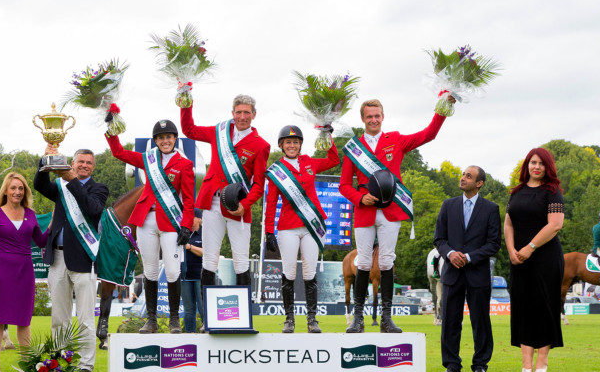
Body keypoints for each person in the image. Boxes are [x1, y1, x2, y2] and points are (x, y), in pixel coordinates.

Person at [340, 98, 447, 333]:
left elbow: (428, 134)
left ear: (383, 116)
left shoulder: (395, 140)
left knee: (387, 261)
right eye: (369, 116)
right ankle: (358, 318)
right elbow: (344, 185)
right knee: (364, 262)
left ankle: (386, 319)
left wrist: (443, 108)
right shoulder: (353, 148)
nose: (374, 120)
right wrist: (359, 198)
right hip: (365, 210)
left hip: (391, 210)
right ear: (363, 119)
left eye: (377, 115)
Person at [105, 120, 196, 333]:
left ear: (175, 139)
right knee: (150, 270)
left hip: (171, 221)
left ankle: (174, 320)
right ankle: (151, 320)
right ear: (155, 141)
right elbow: (118, 152)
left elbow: (189, 200)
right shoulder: (148, 159)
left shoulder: (185, 165)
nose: (165, 141)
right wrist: (111, 129)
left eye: (169, 137)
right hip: (146, 220)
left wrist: (186, 225)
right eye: (161, 138)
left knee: (173, 270)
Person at [180, 93, 270, 291]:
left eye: (247, 112)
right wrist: (185, 101)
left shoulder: (261, 145)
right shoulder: (219, 132)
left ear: (254, 115)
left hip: (238, 206)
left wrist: (244, 206)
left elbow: (259, 185)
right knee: (209, 259)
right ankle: (208, 320)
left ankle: (244, 318)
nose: (242, 116)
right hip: (211, 202)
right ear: (232, 113)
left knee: (241, 260)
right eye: (238, 112)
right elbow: (189, 130)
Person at [34, 148, 109, 372]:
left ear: (93, 167)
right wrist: (45, 158)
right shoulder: (59, 186)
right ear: (72, 163)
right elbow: (39, 184)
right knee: (59, 317)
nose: (84, 165)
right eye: (80, 162)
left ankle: (86, 365)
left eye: (88, 163)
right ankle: (60, 360)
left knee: (85, 317)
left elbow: (92, 208)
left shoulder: (98, 188)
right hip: (57, 258)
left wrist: (73, 180)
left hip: (84, 260)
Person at [264, 124, 339, 333]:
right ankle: (289, 319)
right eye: (288, 142)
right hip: (288, 227)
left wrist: (328, 136)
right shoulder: (276, 171)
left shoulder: (309, 163)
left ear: (300, 145)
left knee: (309, 272)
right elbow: (271, 203)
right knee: (288, 272)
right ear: (281, 145)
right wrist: (269, 231)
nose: (292, 145)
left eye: (296, 142)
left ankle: (312, 320)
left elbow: (334, 160)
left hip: (311, 226)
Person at [433, 166, 501, 372]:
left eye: (468, 176)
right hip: (452, 272)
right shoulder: (448, 205)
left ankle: (480, 364)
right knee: (450, 320)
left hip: (478, 273)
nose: (462, 178)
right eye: (463, 174)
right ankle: (452, 365)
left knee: (480, 321)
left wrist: (469, 257)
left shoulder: (491, 209)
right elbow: (439, 239)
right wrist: (451, 254)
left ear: (479, 183)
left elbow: (493, 244)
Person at [505, 148, 565, 372]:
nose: (536, 167)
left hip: (545, 258)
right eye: (532, 162)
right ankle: (525, 365)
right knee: (522, 308)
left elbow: (555, 225)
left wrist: (530, 248)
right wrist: (512, 250)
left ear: (547, 167)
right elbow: (508, 224)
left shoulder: (552, 193)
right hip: (518, 258)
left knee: (544, 307)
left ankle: (542, 362)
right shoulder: (516, 193)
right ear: (526, 165)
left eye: (541, 163)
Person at [0, 172, 47, 372]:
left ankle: (27, 366)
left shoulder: (31, 214)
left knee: (23, 320)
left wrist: (55, 221)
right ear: (6, 191)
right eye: (13, 188)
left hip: (25, 272)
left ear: (25, 192)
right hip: (0, 272)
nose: (17, 192)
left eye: (21, 188)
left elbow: (42, 242)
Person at [181, 210, 204, 333]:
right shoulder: (183, 233)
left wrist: (189, 247)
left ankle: (207, 330)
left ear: (199, 219)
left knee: (202, 307)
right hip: (185, 276)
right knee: (188, 310)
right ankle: (190, 334)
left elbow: (205, 253)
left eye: (192, 217)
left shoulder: (204, 233)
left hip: (200, 276)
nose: (190, 220)